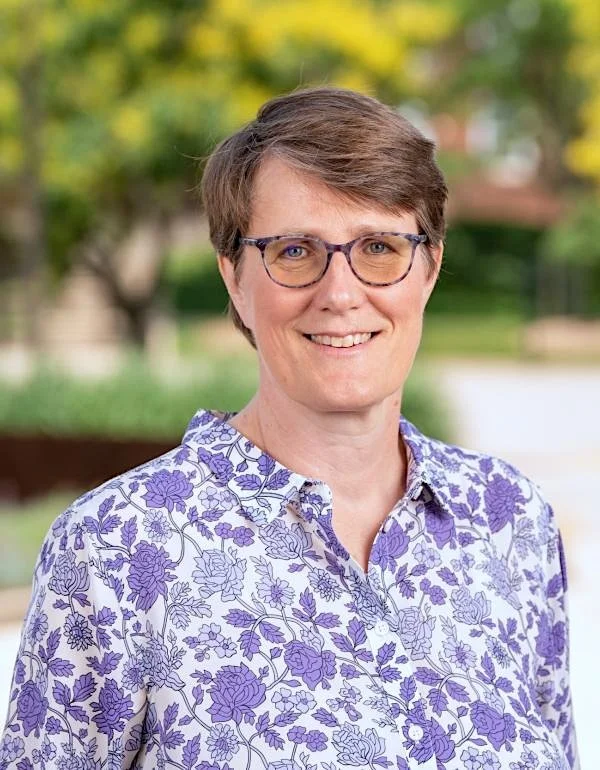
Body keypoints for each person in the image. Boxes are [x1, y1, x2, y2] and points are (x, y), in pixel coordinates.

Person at [0, 87, 578, 770]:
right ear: (234, 278)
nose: (340, 292)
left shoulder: (511, 523)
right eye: (297, 251)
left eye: (380, 247)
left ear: (429, 267)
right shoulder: (114, 554)